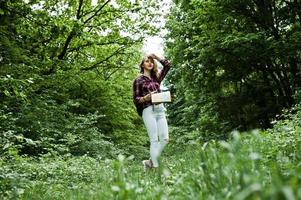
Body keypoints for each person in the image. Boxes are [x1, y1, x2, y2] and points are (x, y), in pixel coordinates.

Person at [132, 53, 172, 170]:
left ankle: (149, 161)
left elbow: (168, 66)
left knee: (165, 139)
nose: (150, 63)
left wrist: (156, 57)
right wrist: (146, 98)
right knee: (154, 140)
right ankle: (156, 168)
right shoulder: (138, 80)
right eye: (147, 61)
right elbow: (136, 99)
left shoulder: (156, 78)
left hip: (160, 110)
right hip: (148, 110)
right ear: (142, 65)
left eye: (151, 61)